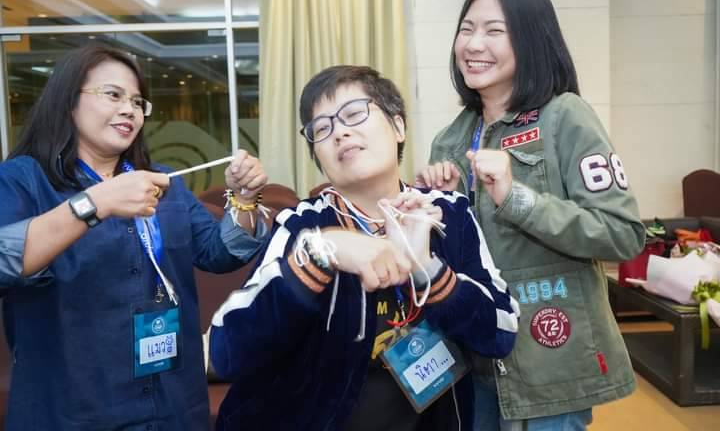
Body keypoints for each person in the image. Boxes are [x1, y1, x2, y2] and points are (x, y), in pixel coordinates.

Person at [209, 65, 519, 430]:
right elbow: (227, 351)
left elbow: (501, 333)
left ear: (398, 126)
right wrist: (319, 253)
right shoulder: (302, 226)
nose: (340, 132)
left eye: (354, 113)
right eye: (321, 129)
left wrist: (427, 268)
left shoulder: (447, 213)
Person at [416, 0, 645, 430]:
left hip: (551, 363)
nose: (473, 44)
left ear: (531, 39)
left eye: (494, 30)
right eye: (466, 29)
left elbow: (622, 233)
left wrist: (514, 196)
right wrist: (435, 207)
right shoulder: (450, 139)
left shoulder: (565, 117)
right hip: (476, 358)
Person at [0, 44, 269, 430]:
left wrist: (243, 199)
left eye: (138, 101)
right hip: (73, 408)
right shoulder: (23, 179)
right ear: (68, 101)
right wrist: (96, 203)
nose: (130, 109)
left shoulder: (161, 181)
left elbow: (221, 252)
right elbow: (5, 261)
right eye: (113, 95)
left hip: (173, 402)